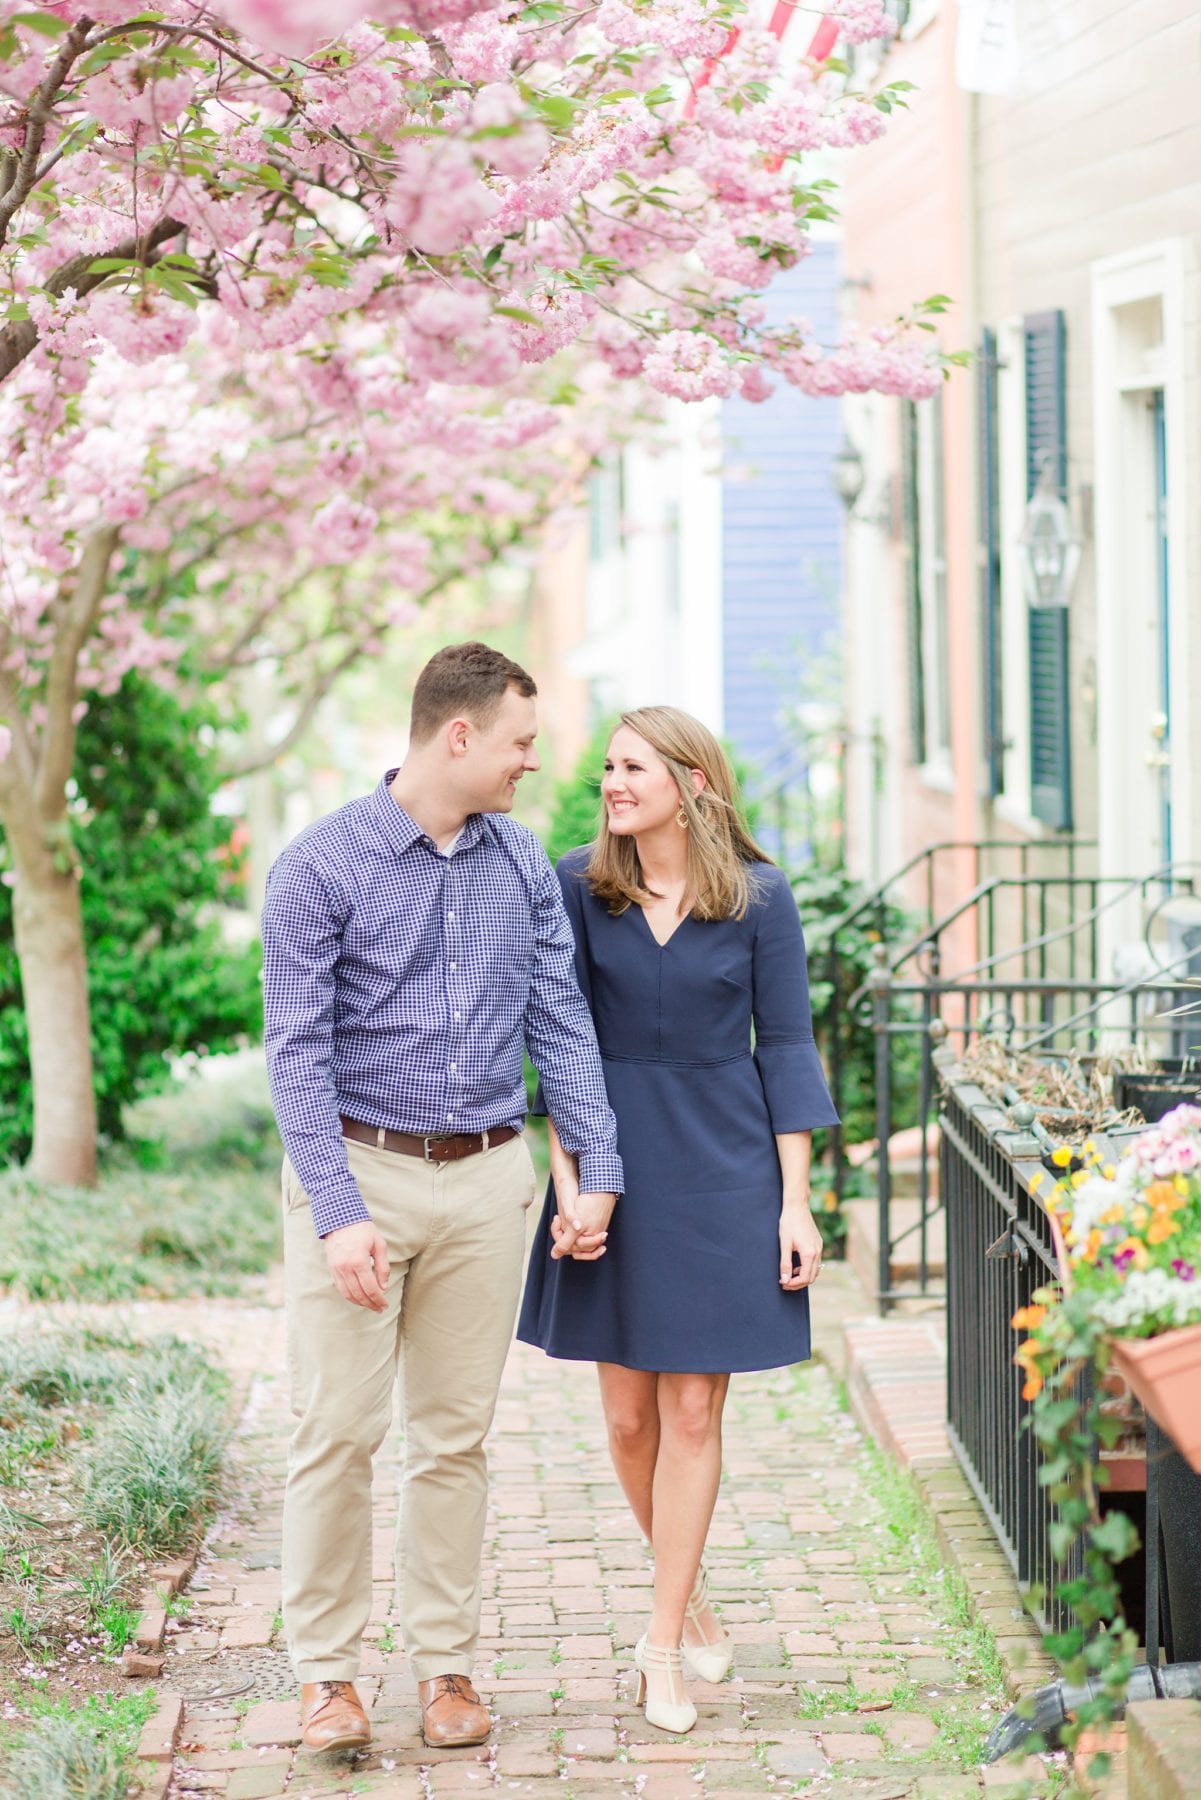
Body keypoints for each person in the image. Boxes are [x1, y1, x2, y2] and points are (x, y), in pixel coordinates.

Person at [261, 642, 622, 1755]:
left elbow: (558, 1019)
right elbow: (295, 1051)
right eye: (519, 742)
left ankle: (446, 1666)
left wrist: (594, 1169)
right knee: (336, 1435)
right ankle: (328, 1679)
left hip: (487, 1181)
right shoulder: (318, 867)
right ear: (456, 735)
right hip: (360, 1171)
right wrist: (335, 1209)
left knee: (453, 1440)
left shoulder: (520, 866)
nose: (531, 763)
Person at [517, 706, 838, 1735]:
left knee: (694, 1412)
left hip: (723, 1167)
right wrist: (566, 1179)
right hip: (613, 1162)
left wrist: (796, 1203)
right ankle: (685, 1585)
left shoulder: (760, 898)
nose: (611, 782)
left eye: (632, 767)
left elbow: (785, 1046)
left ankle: (659, 1649)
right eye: (608, 766)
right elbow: (556, 1034)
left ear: (693, 782)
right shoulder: (578, 885)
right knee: (625, 1418)